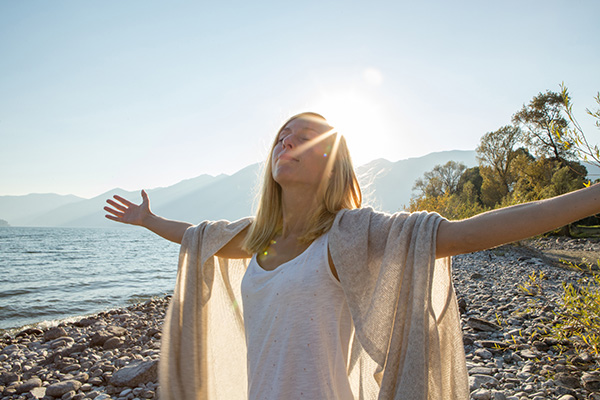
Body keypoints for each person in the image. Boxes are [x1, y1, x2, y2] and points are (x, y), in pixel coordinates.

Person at [105, 112, 600, 400]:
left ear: (332, 163)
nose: (287, 139)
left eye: (303, 136)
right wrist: (149, 221)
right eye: (282, 134)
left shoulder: (348, 236)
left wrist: (592, 196)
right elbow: (198, 236)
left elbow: (464, 234)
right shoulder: (258, 237)